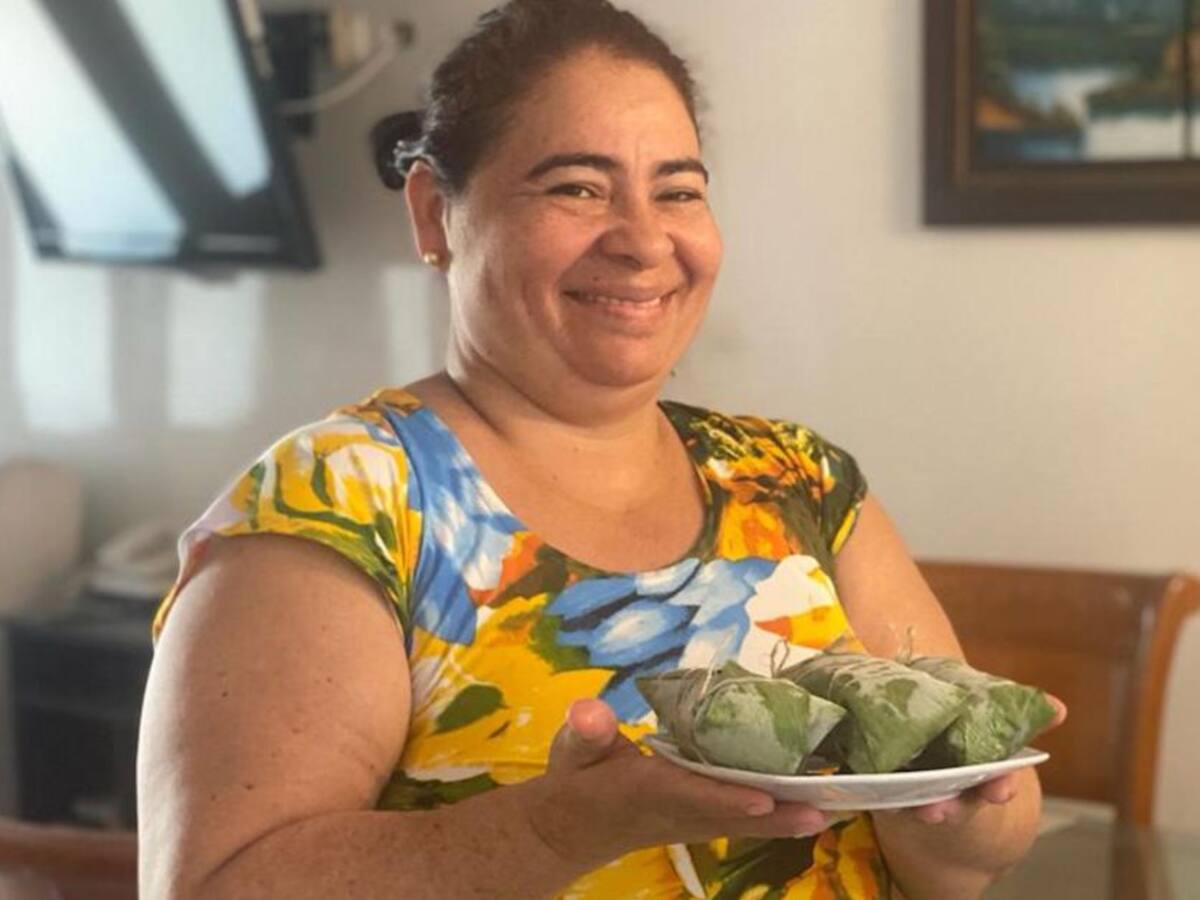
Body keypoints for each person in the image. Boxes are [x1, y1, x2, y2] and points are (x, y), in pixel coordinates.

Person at [137, 1, 1065, 897]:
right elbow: (216, 886)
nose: (644, 239)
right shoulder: (342, 500)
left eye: (679, 191)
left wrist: (948, 800)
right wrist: (557, 827)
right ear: (434, 215)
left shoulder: (795, 479)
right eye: (577, 187)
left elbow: (966, 866)